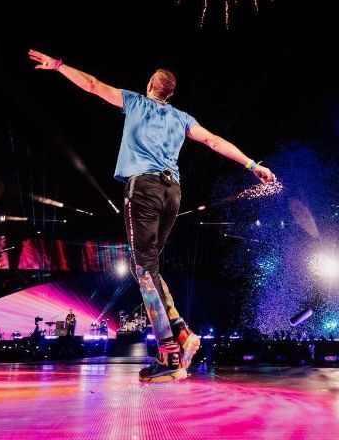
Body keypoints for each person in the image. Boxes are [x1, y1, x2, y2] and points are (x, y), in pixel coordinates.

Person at [29, 50, 275, 382]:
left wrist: (59, 66)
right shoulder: (182, 118)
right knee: (148, 267)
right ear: (170, 94)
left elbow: (92, 84)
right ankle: (181, 333)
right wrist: (251, 164)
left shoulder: (135, 102)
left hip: (144, 187)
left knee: (143, 269)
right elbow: (213, 141)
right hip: (173, 192)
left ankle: (168, 352)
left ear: (149, 86)